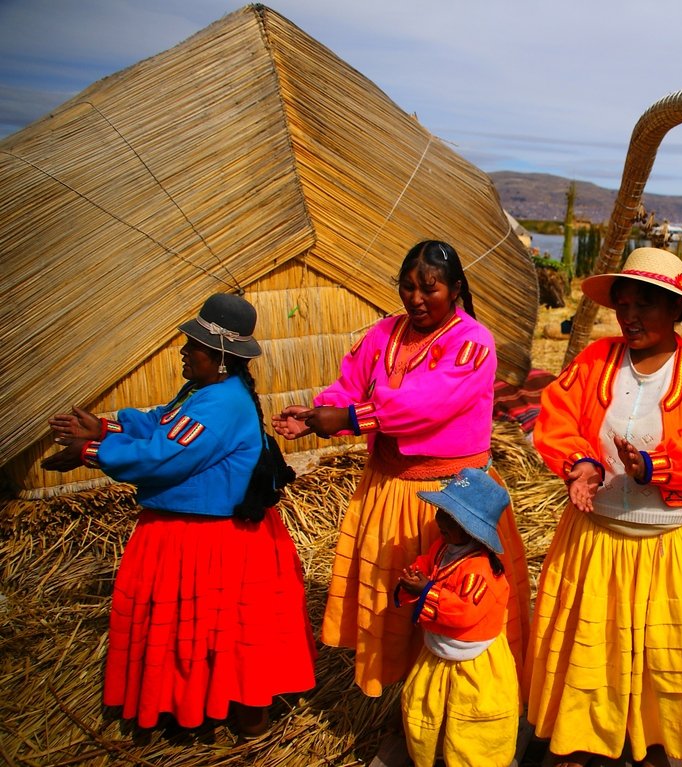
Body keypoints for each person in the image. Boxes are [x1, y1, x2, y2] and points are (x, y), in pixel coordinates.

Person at [42, 293, 316, 738]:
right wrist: (108, 428)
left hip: (216, 542)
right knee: (205, 634)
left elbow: (166, 455)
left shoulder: (222, 404)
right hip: (200, 533)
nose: (184, 352)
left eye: (194, 346)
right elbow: (162, 423)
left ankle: (247, 719)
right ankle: (202, 707)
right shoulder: (204, 391)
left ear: (221, 357)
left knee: (225, 634)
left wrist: (92, 452)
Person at [271, 239, 530, 697]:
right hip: (389, 489)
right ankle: (407, 703)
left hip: (454, 500)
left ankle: (470, 705)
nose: (415, 299)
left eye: (429, 289)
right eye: (407, 287)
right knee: (400, 596)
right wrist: (318, 415)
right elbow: (349, 385)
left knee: (455, 603)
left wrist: (353, 419)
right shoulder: (384, 333)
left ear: (455, 290)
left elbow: (428, 404)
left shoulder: (473, 344)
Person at [526, 247, 682, 767]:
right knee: (591, 656)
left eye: (644, 302)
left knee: (661, 665)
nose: (629, 315)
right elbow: (558, 416)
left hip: (671, 547)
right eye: (622, 303)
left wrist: (655, 466)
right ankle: (579, 743)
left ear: (676, 309)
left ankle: (654, 747)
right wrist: (581, 464)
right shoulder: (596, 360)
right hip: (597, 542)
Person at [394, 467, 520, 767]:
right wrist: (417, 575)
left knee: (473, 715)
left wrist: (426, 590)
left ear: (473, 530)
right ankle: (435, 752)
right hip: (439, 650)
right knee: (427, 703)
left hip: (474, 660)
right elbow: (428, 563)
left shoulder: (481, 570)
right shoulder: (444, 546)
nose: (441, 521)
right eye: (442, 513)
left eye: (452, 518)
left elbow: (464, 612)